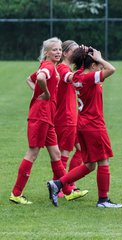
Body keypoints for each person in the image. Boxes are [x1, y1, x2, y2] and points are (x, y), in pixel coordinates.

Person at [47, 46, 122, 208]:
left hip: (82, 124)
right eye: (98, 64)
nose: (101, 66)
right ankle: (103, 200)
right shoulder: (89, 78)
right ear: (93, 66)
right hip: (94, 125)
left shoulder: (77, 76)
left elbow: (80, 70)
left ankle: (58, 184)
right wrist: (100, 57)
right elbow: (112, 69)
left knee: (89, 165)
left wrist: (86, 56)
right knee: (104, 160)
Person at [9, 37, 74, 204]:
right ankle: (16, 194)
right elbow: (40, 78)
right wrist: (45, 93)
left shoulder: (50, 66)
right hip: (40, 116)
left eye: (60, 49)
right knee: (32, 153)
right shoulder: (48, 67)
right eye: (55, 50)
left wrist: (37, 93)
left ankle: (67, 190)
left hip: (47, 117)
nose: (58, 52)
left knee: (56, 154)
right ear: (46, 52)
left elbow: (30, 79)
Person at [55, 40, 88, 199]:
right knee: (63, 153)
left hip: (71, 116)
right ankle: (60, 187)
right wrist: (84, 65)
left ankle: (70, 183)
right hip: (65, 118)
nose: (77, 54)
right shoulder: (62, 68)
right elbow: (70, 78)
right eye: (74, 51)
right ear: (65, 53)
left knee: (81, 148)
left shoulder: (66, 67)